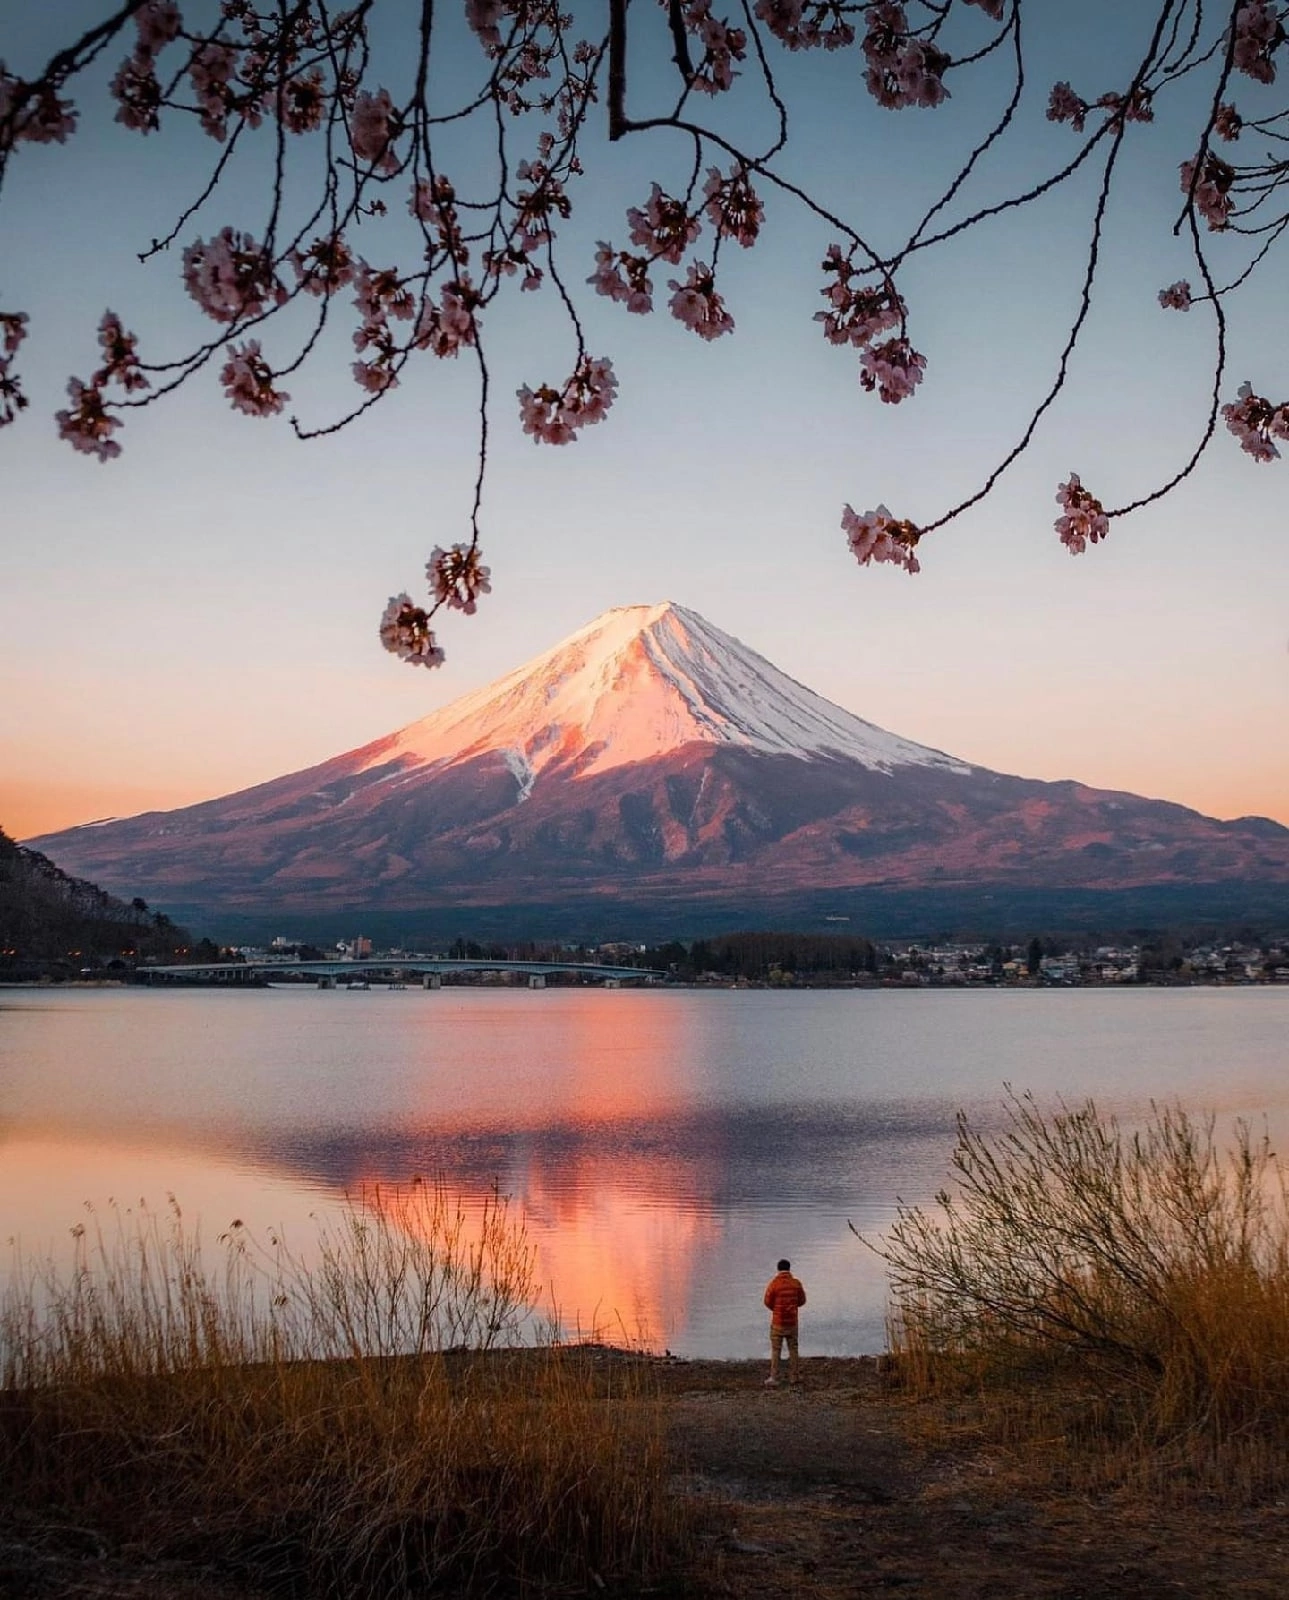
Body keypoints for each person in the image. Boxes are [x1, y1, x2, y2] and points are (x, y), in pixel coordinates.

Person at [763, 1258, 806, 1387]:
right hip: (792, 1322)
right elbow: (802, 1300)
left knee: (776, 1350)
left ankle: (774, 1377)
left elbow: (767, 1301)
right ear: (789, 1269)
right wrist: (793, 1307)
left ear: (778, 1269)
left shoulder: (774, 1284)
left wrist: (775, 1310)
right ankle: (794, 1377)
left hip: (778, 1322)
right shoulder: (796, 1283)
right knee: (793, 1349)